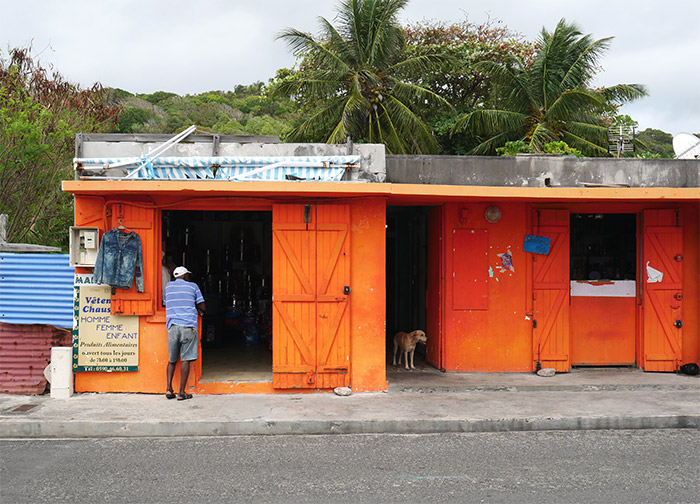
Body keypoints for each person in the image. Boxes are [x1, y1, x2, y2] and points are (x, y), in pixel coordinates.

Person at [163, 266, 205, 400]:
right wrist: (198, 309)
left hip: (173, 327)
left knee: (172, 360)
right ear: (185, 276)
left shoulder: (168, 287)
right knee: (185, 360)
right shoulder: (193, 287)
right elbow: (202, 306)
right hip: (188, 326)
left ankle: (169, 389)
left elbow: (165, 303)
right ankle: (181, 392)